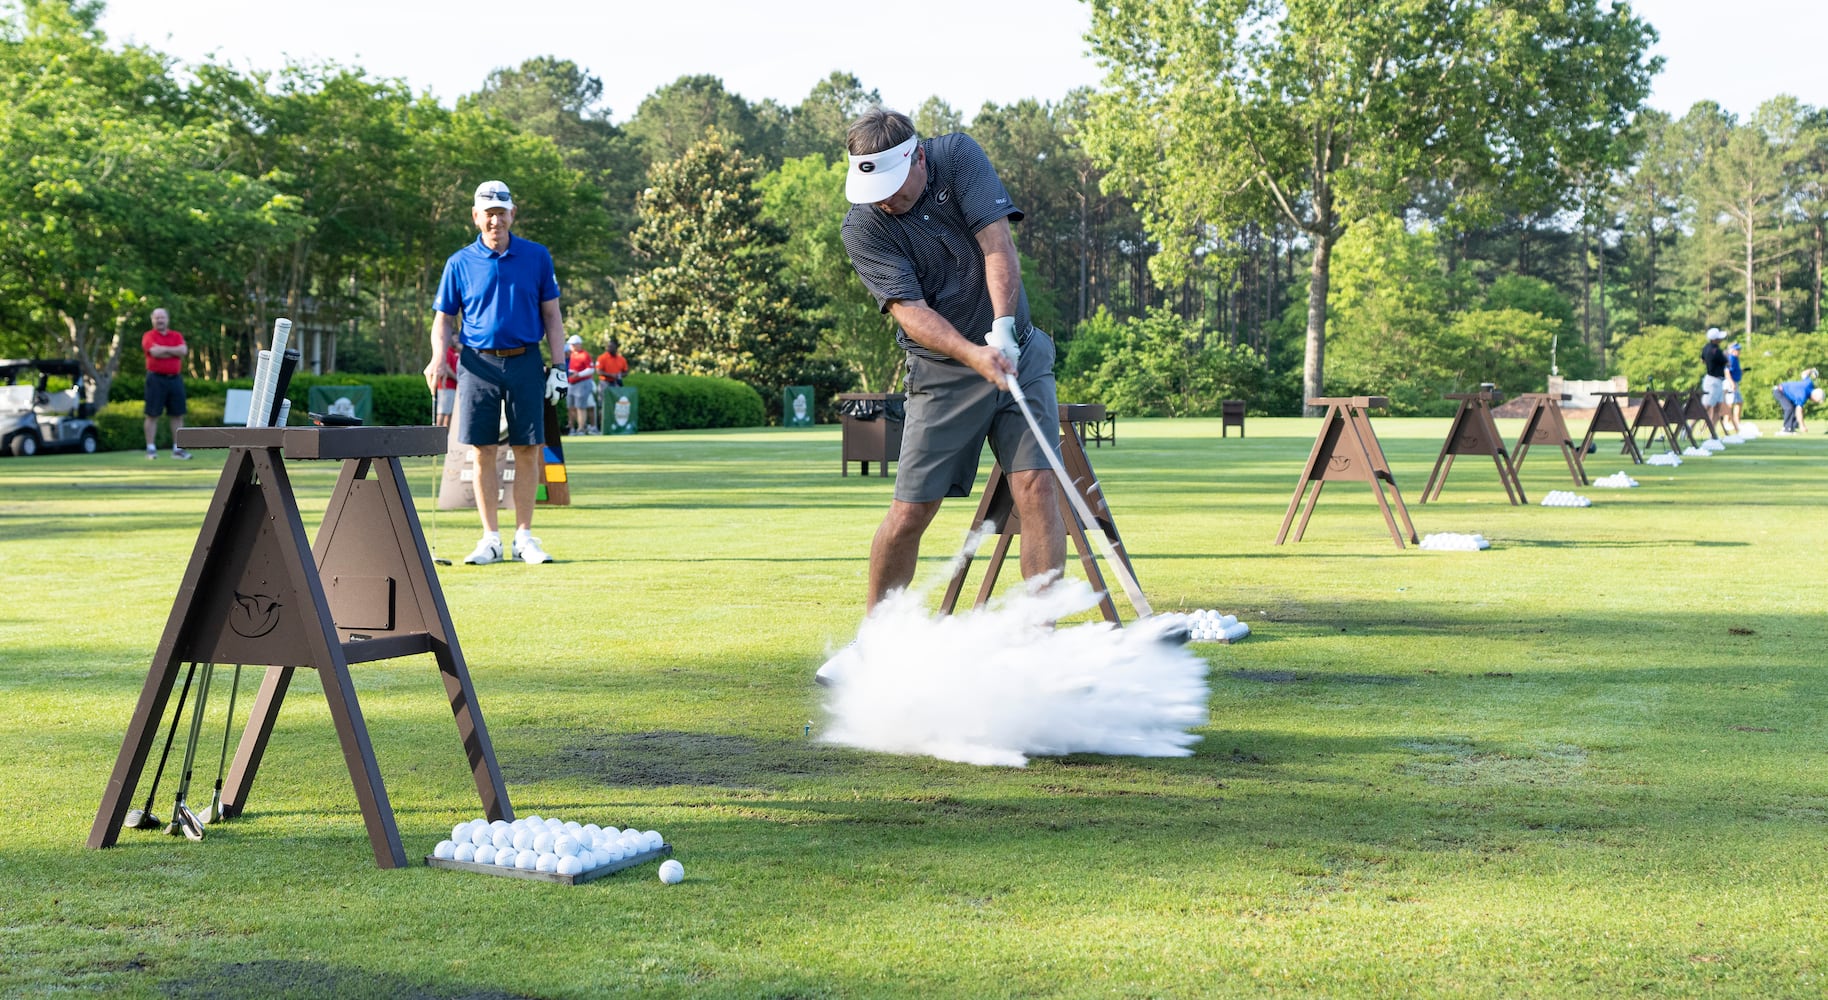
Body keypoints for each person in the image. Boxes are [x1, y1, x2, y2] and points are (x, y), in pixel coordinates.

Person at [821, 108, 1064, 682]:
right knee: (912, 508)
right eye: (870, 190)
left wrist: (1003, 328)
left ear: (919, 158)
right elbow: (910, 312)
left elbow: (997, 245)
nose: (882, 201)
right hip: (942, 371)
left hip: (1020, 349)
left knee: (1035, 483)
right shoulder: (864, 225)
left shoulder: (958, 157)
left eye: (890, 188)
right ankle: (874, 643)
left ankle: (1040, 644)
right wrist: (977, 353)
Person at [423, 180, 569, 565]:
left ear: (512, 214)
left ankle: (524, 537)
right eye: (488, 213)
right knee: (482, 449)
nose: (495, 220)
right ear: (476, 216)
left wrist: (560, 368)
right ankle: (490, 539)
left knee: (527, 447)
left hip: (524, 360)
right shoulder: (459, 262)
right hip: (476, 364)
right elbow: (444, 320)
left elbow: (552, 316)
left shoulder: (537, 256)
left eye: (501, 212)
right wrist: (439, 357)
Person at [141, 308, 191, 460]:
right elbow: (154, 352)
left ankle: (178, 449)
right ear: (152, 320)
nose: (160, 320)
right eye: (157, 318)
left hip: (175, 379)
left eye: (162, 317)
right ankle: (150, 449)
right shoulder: (149, 336)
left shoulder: (176, 335)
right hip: (156, 379)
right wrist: (173, 351)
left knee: (177, 414)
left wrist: (163, 350)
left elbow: (183, 351)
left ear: (167, 319)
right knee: (152, 414)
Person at [1773, 369, 1821, 435]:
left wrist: (1812, 370)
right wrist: (1802, 425)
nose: (1814, 402)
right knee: (1789, 408)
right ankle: (1786, 429)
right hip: (1779, 391)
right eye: (1816, 401)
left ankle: (1792, 428)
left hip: (1787, 394)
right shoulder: (1803, 395)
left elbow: (1804, 373)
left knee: (1795, 409)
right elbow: (1799, 411)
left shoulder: (1809, 383)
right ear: (1814, 397)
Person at [564, 334, 595, 434]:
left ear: (578, 344)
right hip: (571, 383)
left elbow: (591, 369)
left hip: (582, 383)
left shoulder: (584, 355)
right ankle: (572, 428)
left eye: (573, 344)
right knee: (571, 407)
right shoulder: (571, 355)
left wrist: (579, 374)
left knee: (581, 407)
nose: (571, 346)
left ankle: (581, 428)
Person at [1700, 327, 1728, 429]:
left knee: (1717, 406)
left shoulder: (1706, 347)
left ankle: (1712, 433)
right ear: (1715, 339)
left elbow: (1702, 360)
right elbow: (1727, 362)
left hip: (1712, 379)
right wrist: (1726, 355)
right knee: (1707, 406)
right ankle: (1689, 427)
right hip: (1714, 380)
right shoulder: (1716, 351)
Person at [428, 341, 459, 428]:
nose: (456, 340)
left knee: (448, 413)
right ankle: (437, 435)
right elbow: (446, 368)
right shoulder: (446, 352)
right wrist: (458, 378)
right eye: (454, 337)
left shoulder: (454, 353)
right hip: (446, 386)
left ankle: (445, 437)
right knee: (442, 412)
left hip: (452, 387)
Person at [1724, 341, 1744, 433]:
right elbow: (1727, 371)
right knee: (1730, 403)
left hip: (1734, 382)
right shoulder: (1731, 358)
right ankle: (1726, 422)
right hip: (1730, 383)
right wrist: (1731, 383)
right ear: (1732, 351)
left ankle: (1736, 422)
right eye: (1737, 349)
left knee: (1739, 402)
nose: (1739, 351)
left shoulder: (1735, 359)